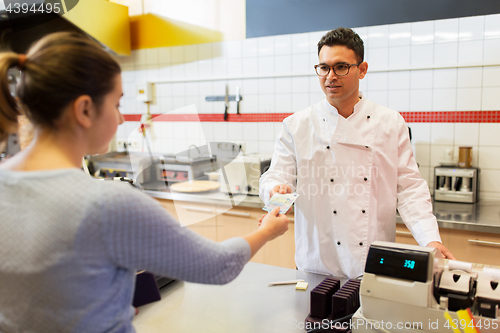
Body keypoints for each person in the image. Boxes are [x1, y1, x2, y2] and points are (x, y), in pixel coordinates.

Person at [0, 32, 289, 332]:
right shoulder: (107, 204)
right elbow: (217, 266)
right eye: (117, 105)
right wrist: (267, 231)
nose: (121, 120)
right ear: (85, 109)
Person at [259, 27, 454, 279]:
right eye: (323, 67)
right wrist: (275, 190)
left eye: (341, 67)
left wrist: (430, 239)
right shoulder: (297, 125)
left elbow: (409, 188)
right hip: (316, 264)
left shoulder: (390, 123)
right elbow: (276, 176)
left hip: (373, 263)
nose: (330, 76)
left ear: (362, 69)